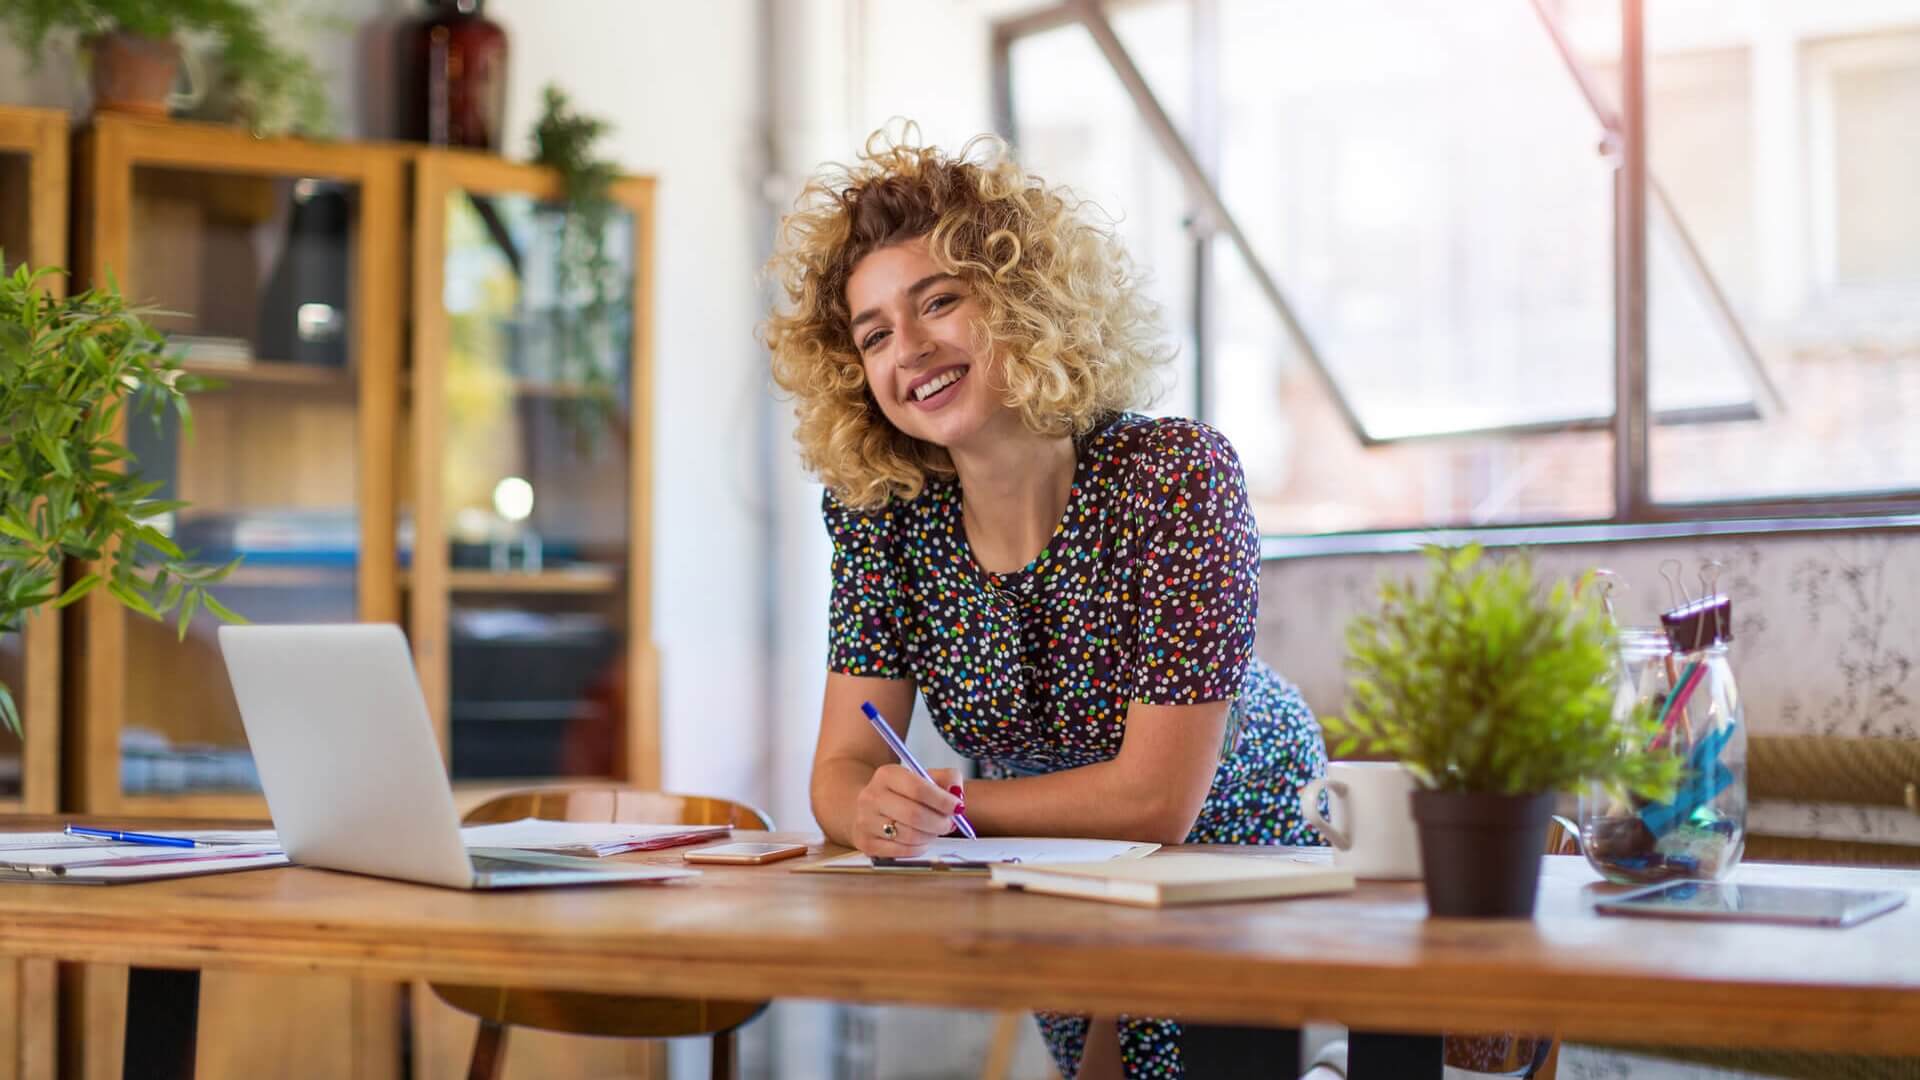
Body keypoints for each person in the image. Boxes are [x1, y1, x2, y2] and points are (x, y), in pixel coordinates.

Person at [764, 127, 1327, 1080]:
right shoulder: (883, 514)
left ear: (1021, 302)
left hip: (1234, 827)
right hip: (1039, 853)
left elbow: (1157, 800)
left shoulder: (1176, 475)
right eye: (873, 335)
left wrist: (944, 809)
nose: (910, 350)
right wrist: (869, 814)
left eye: (938, 301)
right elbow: (840, 769)